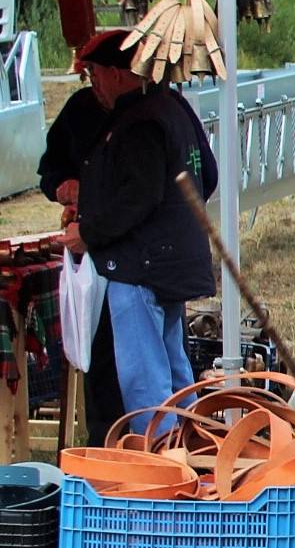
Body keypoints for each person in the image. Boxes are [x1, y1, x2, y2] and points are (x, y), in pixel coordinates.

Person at [67, 30, 218, 433]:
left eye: (95, 73)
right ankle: (191, 454)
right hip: (166, 263)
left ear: (118, 74)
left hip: (141, 268)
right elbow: (209, 176)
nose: (94, 83)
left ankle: (162, 475)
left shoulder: (139, 121)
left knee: (146, 383)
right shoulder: (172, 107)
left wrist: (89, 232)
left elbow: (139, 197)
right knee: (173, 373)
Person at [37, 82, 124, 443]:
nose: (95, 83)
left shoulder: (145, 112)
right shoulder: (80, 108)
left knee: (139, 361)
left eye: (97, 73)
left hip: (131, 252)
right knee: (98, 349)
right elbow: (49, 170)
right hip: (90, 254)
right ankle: (103, 443)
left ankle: (148, 447)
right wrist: (64, 186)